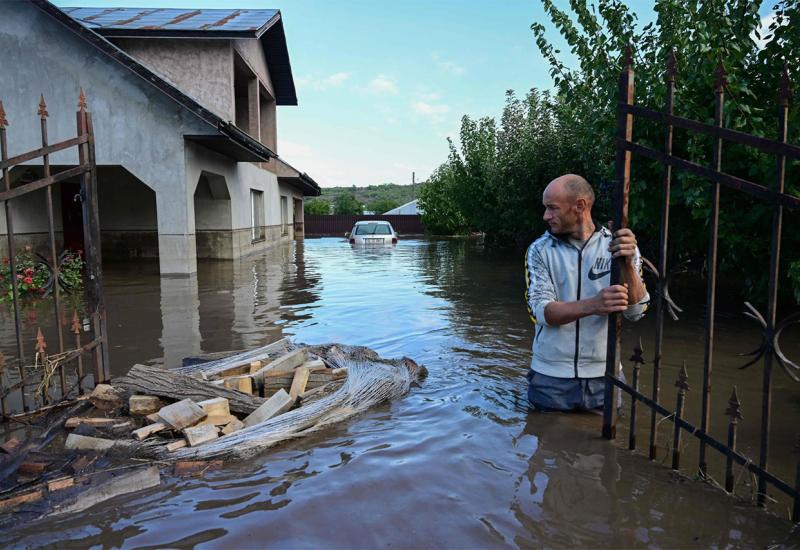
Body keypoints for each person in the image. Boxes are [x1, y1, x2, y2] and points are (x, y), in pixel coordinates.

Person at [525, 174, 649, 411]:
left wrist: (626, 263)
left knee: (604, 446)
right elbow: (540, 311)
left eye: (552, 208)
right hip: (550, 379)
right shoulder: (539, 250)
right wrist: (594, 304)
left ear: (580, 206)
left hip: (606, 377)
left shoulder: (618, 244)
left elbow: (637, 311)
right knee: (548, 445)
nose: (546, 216)